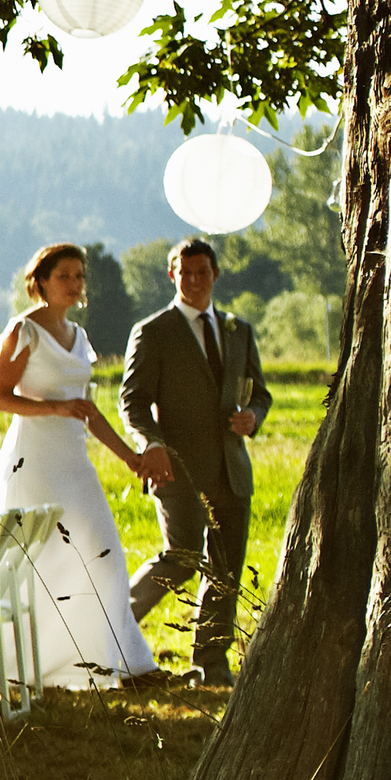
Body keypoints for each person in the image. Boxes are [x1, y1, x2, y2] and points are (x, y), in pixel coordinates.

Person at [0, 239, 173, 684]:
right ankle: (27, 668)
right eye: (64, 276)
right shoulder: (23, 331)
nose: (74, 284)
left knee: (103, 552)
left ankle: (125, 662)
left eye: (79, 276)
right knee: (38, 560)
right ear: (41, 283)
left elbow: (88, 410)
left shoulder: (80, 337)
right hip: (33, 460)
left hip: (74, 462)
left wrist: (131, 457)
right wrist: (54, 408)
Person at [123, 236, 267, 688]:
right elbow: (132, 402)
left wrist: (253, 418)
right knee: (182, 557)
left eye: (202, 272)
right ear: (172, 276)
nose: (194, 280)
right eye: (185, 273)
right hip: (176, 467)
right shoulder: (153, 331)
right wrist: (151, 443)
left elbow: (259, 393)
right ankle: (111, 633)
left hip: (231, 468)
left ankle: (211, 663)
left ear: (215, 275)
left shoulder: (238, 330)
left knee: (225, 567)